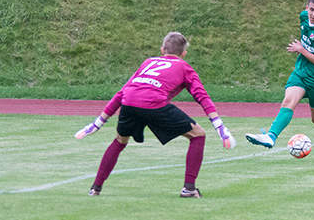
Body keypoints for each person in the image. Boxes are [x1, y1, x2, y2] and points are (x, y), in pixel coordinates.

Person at [75, 31, 235, 198]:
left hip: (129, 103)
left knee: (120, 140)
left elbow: (121, 93)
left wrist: (98, 122)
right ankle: (189, 188)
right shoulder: (184, 67)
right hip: (154, 104)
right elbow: (201, 95)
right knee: (198, 135)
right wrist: (219, 125)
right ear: (184, 54)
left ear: (162, 50)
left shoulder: (148, 62)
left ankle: (95, 188)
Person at [245, 0, 314, 161]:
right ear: (306, 8)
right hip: (301, 72)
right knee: (288, 101)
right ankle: (271, 136)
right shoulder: (303, 17)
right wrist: (304, 50)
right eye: (311, 9)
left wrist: (302, 50)